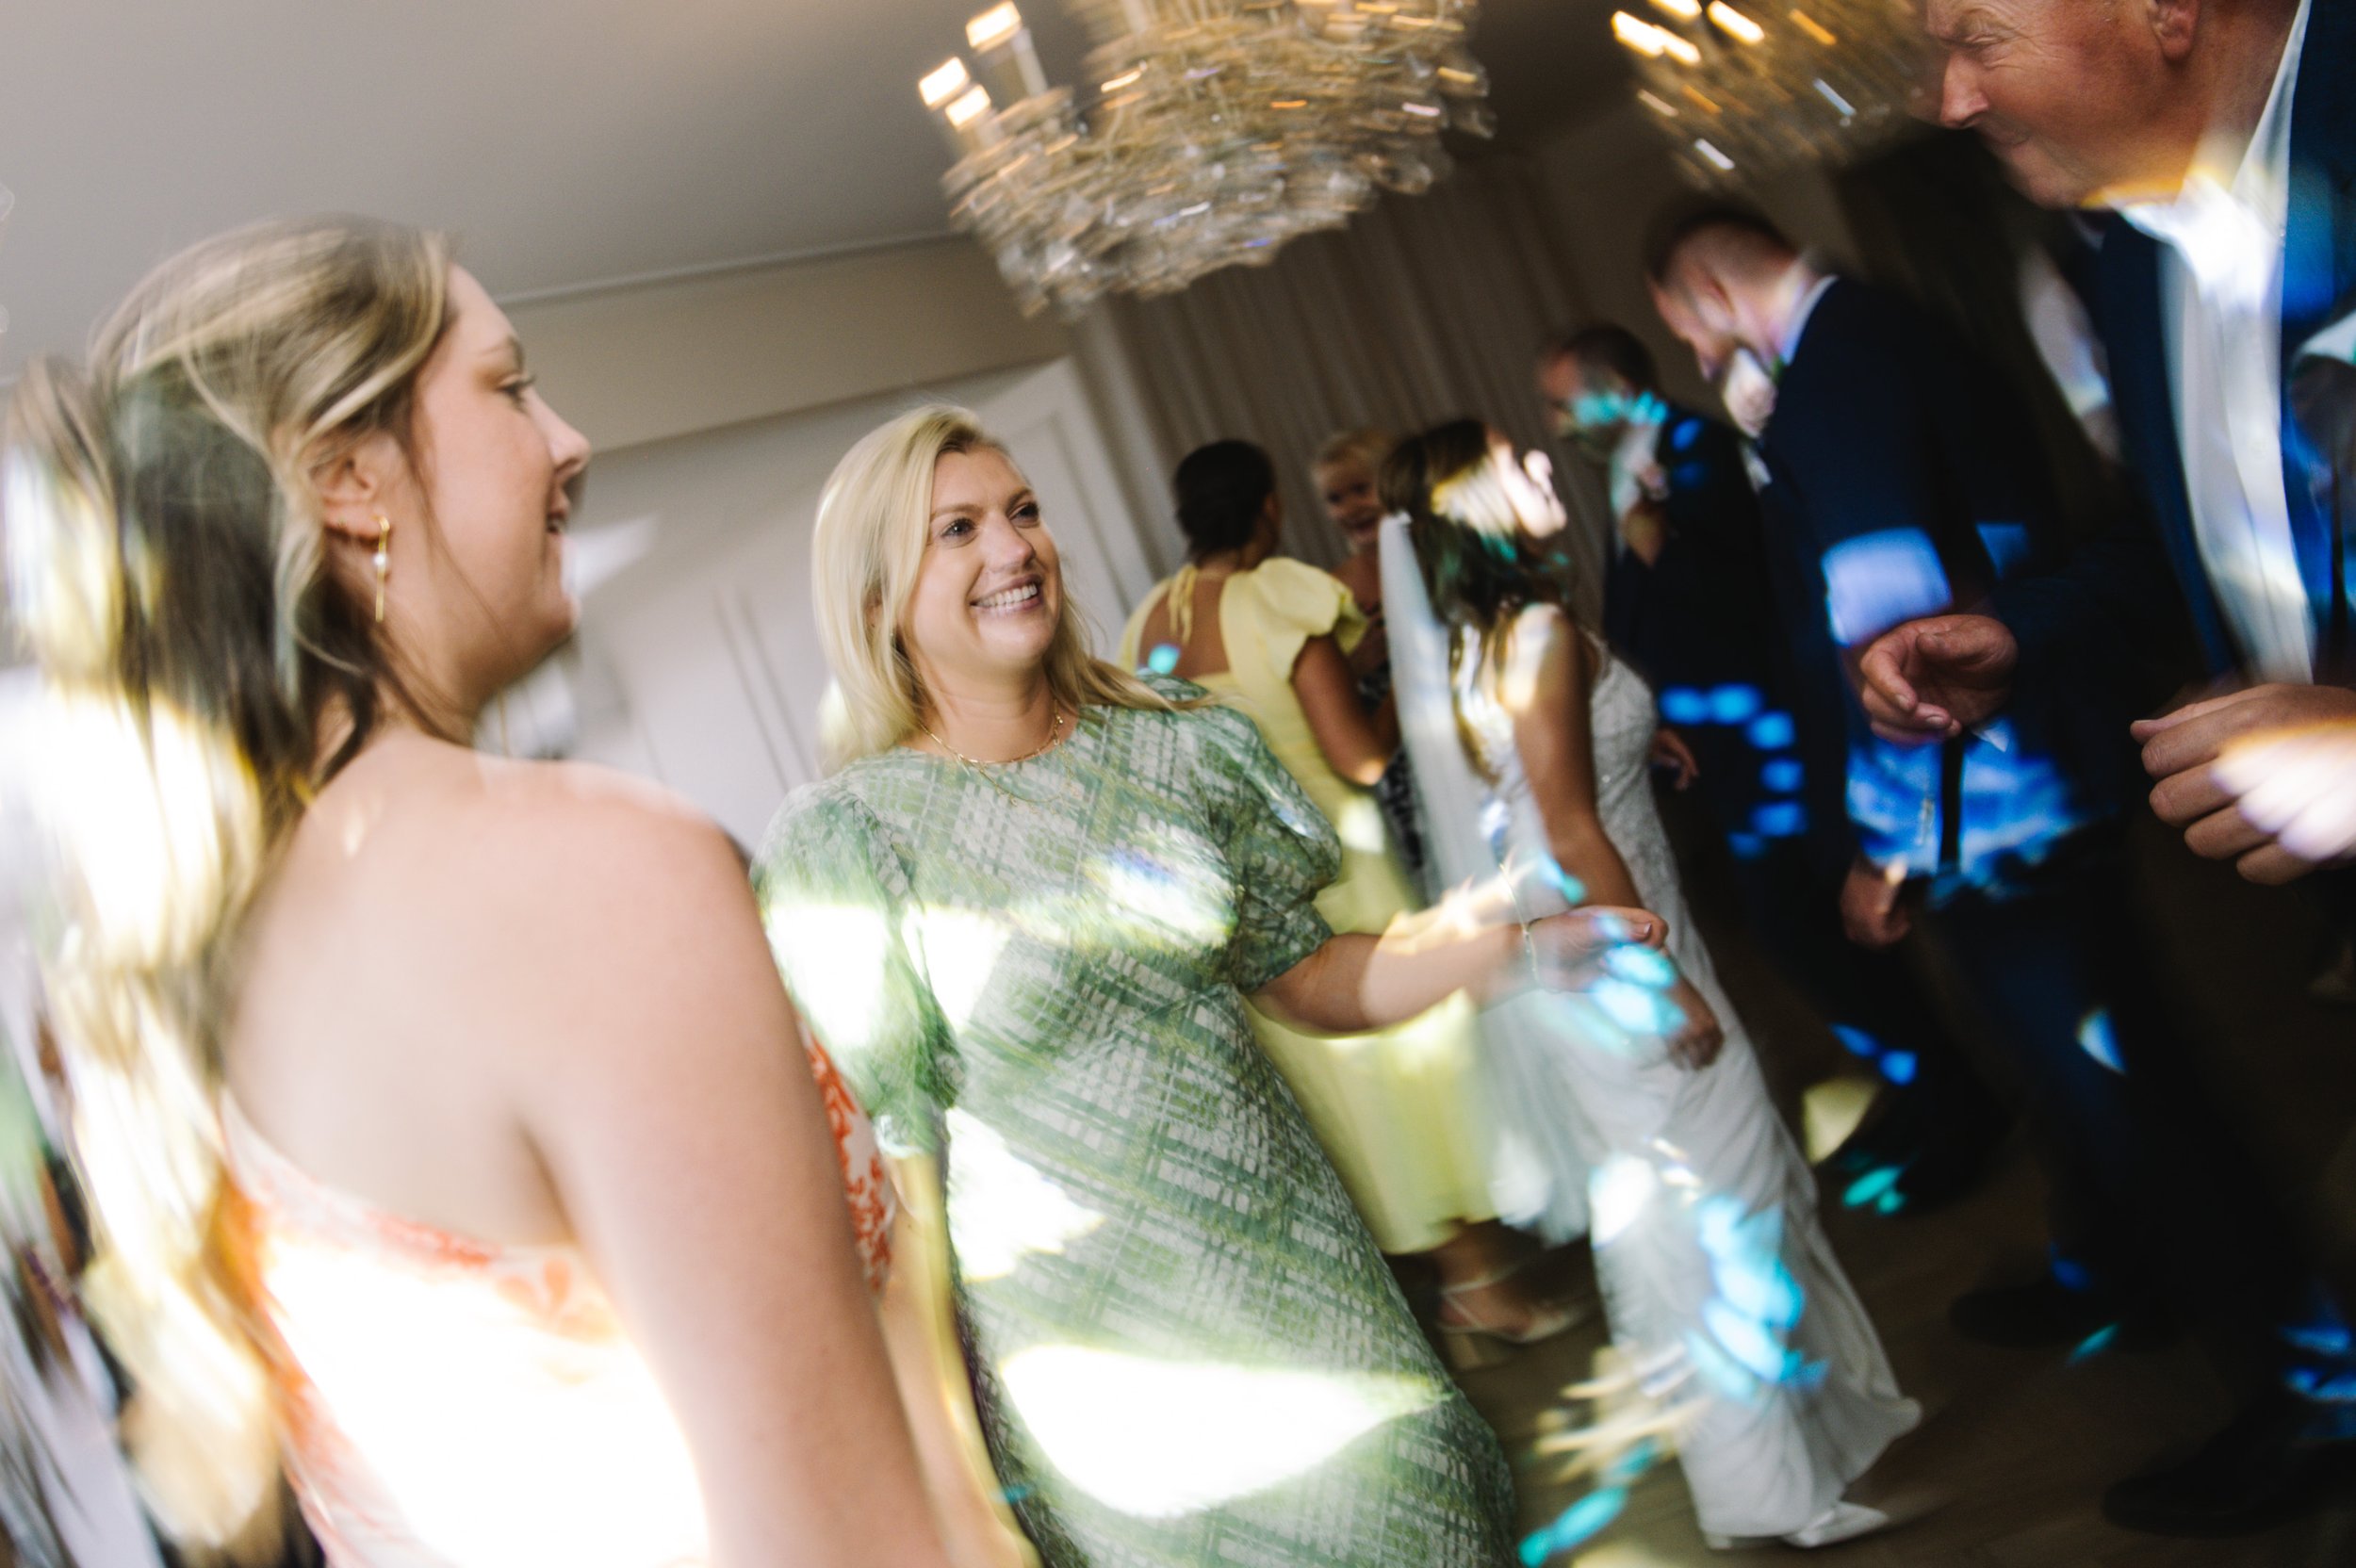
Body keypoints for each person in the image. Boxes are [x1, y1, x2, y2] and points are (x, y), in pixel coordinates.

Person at [5, 217, 962, 1568]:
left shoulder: (209, 972)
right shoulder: (587, 876)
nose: (569, 442)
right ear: (350, 478)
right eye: (509, 387)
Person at [758, 404, 1659, 1567]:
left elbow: (1304, 971)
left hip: (1306, 1281)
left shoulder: (1175, 741)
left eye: (1023, 510)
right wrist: (959, 1495)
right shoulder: (852, 842)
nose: (1014, 547)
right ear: (879, 598)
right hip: (1108, 1375)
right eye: (958, 529)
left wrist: (1508, 950)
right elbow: (902, 1197)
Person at [1657, 201, 2356, 1537]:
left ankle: (2312, 1383)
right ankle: (2115, 1268)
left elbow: (1888, 624)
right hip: (2023, 779)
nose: (1694, 353)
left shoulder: (1836, 369)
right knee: (2084, 1076)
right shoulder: (1889, 321)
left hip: (1989, 808)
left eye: (1684, 325)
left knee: (2134, 1095)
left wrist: (1884, 848)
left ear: (1705, 291)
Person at [1383, 418, 1919, 1551]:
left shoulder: (1493, 634)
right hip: (1623, 960)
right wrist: (1664, 981)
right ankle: (1771, 1489)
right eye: (1515, 463)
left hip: (1591, 952)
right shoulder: (1534, 633)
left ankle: (1783, 1457)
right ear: (1476, 505)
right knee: (1721, 1210)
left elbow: (1538, 784)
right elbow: (1570, 825)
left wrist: (1641, 734)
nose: (1542, 465)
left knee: (1692, 1205)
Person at [1873, 0, 2355, 891]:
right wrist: (2023, 633)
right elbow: (2191, 533)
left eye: (1978, 42)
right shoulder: (2133, 259)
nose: (1951, 103)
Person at [1120, 439, 1570, 1359]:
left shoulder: (1152, 621)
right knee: (1418, 1072)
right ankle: (1481, 1289)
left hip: (1251, 899)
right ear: (1269, 507)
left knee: (1354, 1099)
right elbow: (1358, 757)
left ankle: (1440, 1290)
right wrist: (1404, 677)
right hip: (1341, 869)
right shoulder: (1279, 596)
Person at [1538, 324, 1995, 1201]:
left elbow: (1747, 594)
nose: (1556, 424)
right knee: (1805, 940)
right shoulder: (1631, 463)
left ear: (1616, 388)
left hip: (1772, 743)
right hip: (1720, 751)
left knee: (1818, 936)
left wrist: (1656, 546)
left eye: (1564, 403)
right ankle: (1924, 1090)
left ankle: (1957, 1103)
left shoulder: (1700, 447)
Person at [1311, 429, 1431, 890]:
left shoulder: (1437, 563)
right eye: (1335, 498)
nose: (1350, 508)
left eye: (1361, 489)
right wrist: (1357, 663)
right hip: (1397, 766)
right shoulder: (1332, 591)